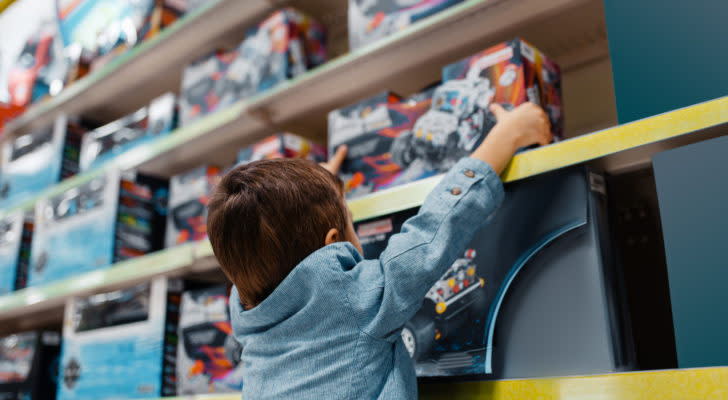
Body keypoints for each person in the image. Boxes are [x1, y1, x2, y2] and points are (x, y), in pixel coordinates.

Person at [207, 102, 552, 399]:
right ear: (332, 244)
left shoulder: (251, 328)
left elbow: (280, 248)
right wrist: (506, 137)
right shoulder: (356, 302)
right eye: (350, 222)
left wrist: (311, 196)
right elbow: (433, 231)